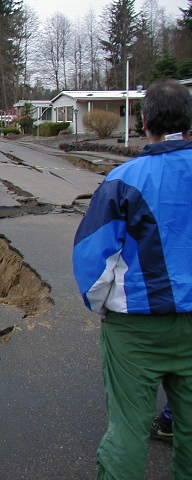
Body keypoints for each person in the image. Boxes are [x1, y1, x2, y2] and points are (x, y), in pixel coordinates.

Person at [72, 79, 192, 479]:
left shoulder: (126, 179)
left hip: (137, 324)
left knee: (127, 429)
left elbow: (93, 255)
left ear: (144, 122)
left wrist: (102, 304)